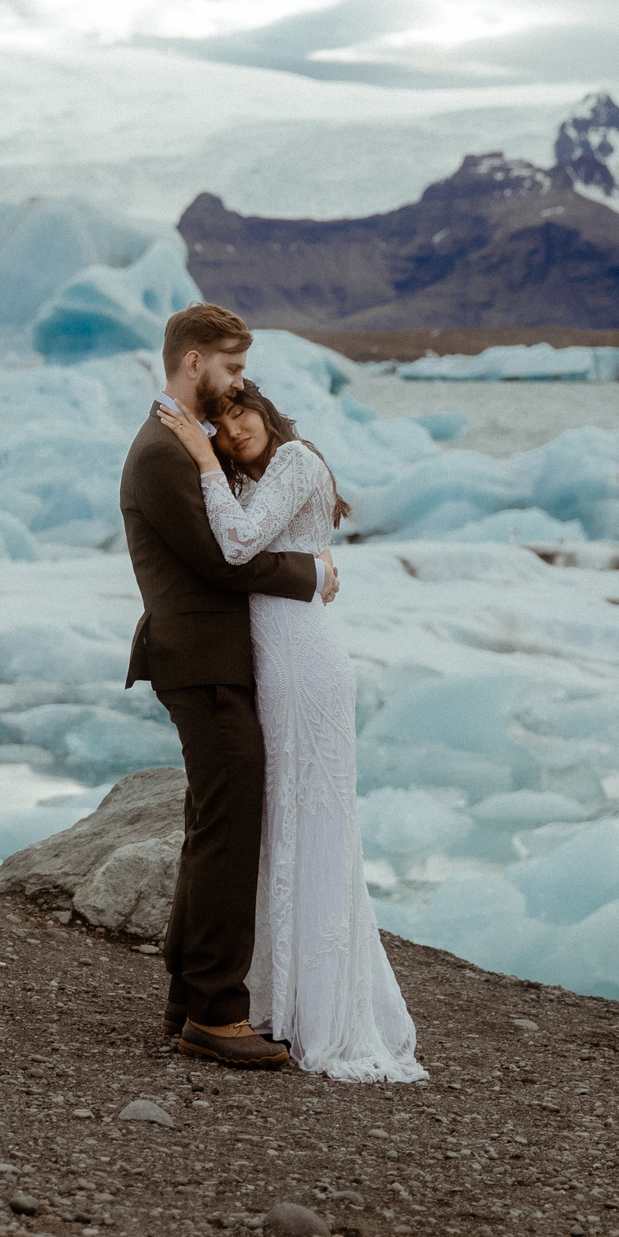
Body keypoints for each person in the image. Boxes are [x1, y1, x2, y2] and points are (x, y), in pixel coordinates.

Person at [155, 378, 427, 1083]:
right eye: (216, 421)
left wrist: (201, 456)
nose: (232, 427)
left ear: (265, 410)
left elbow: (239, 544)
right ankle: (279, 1000)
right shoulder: (248, 479)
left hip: (306, 666)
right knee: (278, 826)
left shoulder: (296, 459)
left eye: (239, 410)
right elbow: (225, 552)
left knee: (316, 821)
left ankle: (330, 1012)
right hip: (270, 669)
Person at [120, 303, 336, 1070]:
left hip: (217, 661)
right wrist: (311, 571)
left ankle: (188, 996)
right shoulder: (161, 454)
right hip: (201, 664)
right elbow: (224, 561)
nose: (241, 383)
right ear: (192, 363)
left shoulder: (188, 446)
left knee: (213, 824)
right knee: (229, 829)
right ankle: (217, 1013)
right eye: (233, 368)